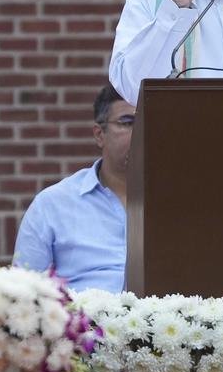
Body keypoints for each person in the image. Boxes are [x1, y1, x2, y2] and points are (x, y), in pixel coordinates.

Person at [12, 85, 134, 293]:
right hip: (83, 312)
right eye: (128, 123)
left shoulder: (181, 201)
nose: (141, 132)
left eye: (148, 122)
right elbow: (22, 294)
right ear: (99, 134)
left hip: (166, 313)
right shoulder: (52, 204)